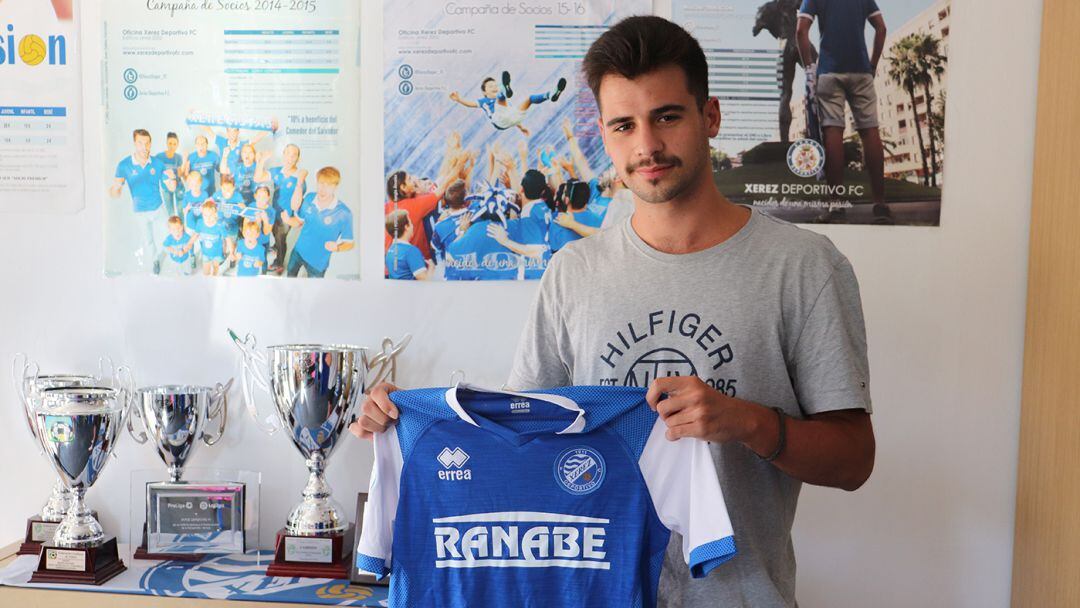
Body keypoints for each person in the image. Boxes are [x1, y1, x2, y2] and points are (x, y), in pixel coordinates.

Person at [351, 15, 874, 608]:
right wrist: (404, 424)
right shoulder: (573, 273)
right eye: (624, 125)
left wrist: (746, 421)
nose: (647, 146)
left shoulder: (803, 266)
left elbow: (855, 460)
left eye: (667, 117)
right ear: (604, 134)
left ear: (711, 117)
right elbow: (521, 441)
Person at [796, 0, 887, 207]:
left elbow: (801, 31)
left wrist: (809, 68)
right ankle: (880, 204)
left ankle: (835, 204)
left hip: (828, 71)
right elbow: (881, 28)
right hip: (861, 71)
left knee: (832, 132)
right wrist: (872, 65)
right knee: (870, 131)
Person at [109, 128, 176, 272]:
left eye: (147, 143)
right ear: (134, 143)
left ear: (151, 143)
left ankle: (174, 258)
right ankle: (155, 261)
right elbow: (114, 194)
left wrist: (172, 179)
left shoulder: (158, 164)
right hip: (140, 212)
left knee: (170, 234)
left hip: (158, 208)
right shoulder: (124, 165)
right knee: (149, 241)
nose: (144, 147)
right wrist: (115, 189)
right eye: (140, 143)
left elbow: (171, 188)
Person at [449, 71, 567, 137]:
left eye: (495, 85)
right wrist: (459, 99)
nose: (493, 87)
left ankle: (550, 95)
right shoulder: (483, 101)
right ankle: (504, 91)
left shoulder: (505, 104)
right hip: (498, 120)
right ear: (484, 92)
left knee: (529, 99)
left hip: (512, 118)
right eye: (491, 87)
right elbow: (470, 104)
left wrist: (522, 128)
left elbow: (510, 117)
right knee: (501, 100)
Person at [285, 167, 353, 278]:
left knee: (313, 290)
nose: (323, 189)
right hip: (298, 252)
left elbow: (349, 243)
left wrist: (337, 247)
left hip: (317, 264)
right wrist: (287, 220)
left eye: (328, 185)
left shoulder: (344, 213)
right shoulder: (309, 198)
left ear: (335, 186)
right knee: (290, 276)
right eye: (321, 183)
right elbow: (299, 222)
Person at [257, 143, 308, 274]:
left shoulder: (299, 177)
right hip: (274, 212)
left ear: (298, 158)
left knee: (280, 238)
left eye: (294, 155)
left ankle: (279, 263)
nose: (290, 158)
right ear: (283, 155)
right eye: (288, 154)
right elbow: (257, 177)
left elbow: (296, 205)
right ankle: (275, 247)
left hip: (287, 216)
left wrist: (300, 181)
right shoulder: (276, 171)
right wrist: (262, 160)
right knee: (274, 232)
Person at [385, 210, 435, 280]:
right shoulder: (411, 251)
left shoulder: (390, 250)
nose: (412, 226)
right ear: (406, 227)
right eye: (411, 223)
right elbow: (426, 281)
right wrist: (431, 267)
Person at [194, 200, 229, 276]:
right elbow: (195, 235)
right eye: (205, 215)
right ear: (202, 215)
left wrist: (226, 251)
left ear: (215, 214)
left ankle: (214, 276)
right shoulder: (201, 223)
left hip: (217, 253)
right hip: (206, 253)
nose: (208, 218)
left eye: (210, 215)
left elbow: (226, 239)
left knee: (216, 267)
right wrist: (189, 244)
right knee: (206, 272)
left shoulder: (220, 225)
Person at [155, 132, 184, 217]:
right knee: (170, 212)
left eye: (174, 144)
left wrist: (185, 166)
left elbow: (179, 174)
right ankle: (173, 229)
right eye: (170, 143)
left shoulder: (178, 157)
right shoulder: (159, 157)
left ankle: (182, 229)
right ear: (167, 143)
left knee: (180, 210)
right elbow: (156, 173)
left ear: (177, 144)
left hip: (178, 187)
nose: (172, 146)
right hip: (166, 188)